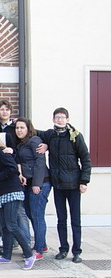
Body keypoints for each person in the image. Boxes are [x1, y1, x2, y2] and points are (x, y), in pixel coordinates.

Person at [38, 108, 91, 263]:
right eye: (57, 117)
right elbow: (34, 132)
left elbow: (86, 160)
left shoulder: (75, 136)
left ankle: (76, 251)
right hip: (58, 185)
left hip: (74, 184)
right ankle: (63, 249)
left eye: (62, 117)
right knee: (61, 219)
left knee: (75, 219)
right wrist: (15, 122)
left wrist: (84, 181)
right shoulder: (51, 135)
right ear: (53, 119)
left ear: (67, 119)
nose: (60, 120)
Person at [0, 131, 36, 270]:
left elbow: (13, 169)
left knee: (12, 225)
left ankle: (29, 254)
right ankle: (6, 255)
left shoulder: (0, 151)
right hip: (0, 194)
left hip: (11, 192)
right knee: (4, 226)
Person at [15, 117, 51, 260]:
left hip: (40, 183)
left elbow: (40, 162)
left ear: (28, 129)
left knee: (37, 216)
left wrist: (37, 183)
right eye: (17, 128)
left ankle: (38, 250)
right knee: (31, 214)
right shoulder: (22, 143)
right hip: (29, 183)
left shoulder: (34, 141)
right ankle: (42, 244)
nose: (19, 130)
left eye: (22, 127)